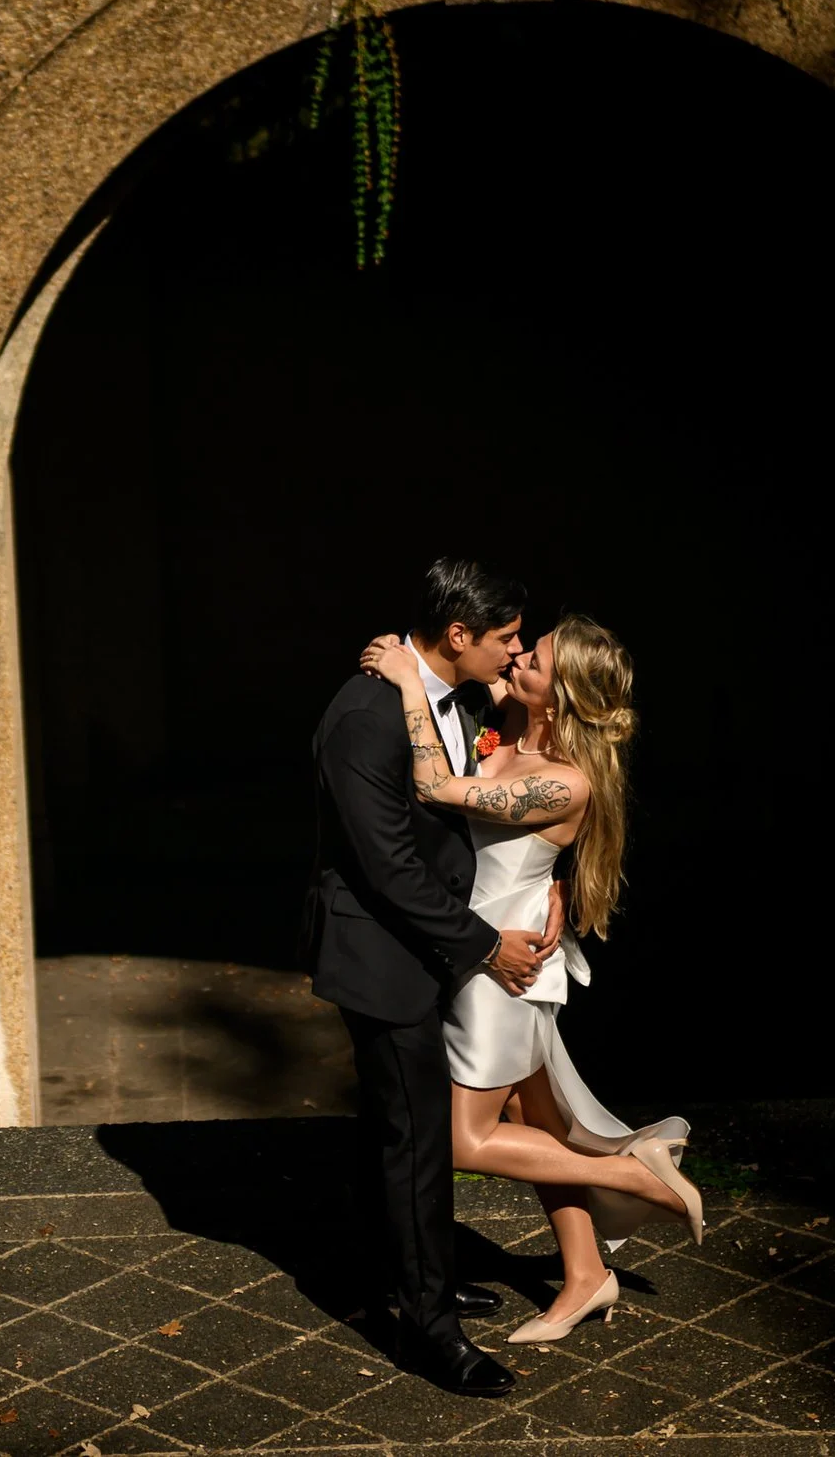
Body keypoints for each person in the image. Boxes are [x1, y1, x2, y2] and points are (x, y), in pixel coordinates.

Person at [360, 615, 703, 1345]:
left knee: (462, 1140)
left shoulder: (563, 781)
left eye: (535, 659)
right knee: (535, 1124)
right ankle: (586, 1274)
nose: (517, 655)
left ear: (563, 695)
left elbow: (431, 784)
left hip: (502, 974)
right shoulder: (501, 733)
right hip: (472, 955)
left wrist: (405, 682)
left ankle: (638, 1178)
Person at [306, 558, 552, 1398]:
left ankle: (420, 1279)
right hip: (384, 956)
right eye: (506, 637)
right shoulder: (362, 716)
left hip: (429, 948)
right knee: (415, 1141)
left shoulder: (468, 700)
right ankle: (429, 1330)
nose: (515, 652)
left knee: (408, 1133)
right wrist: (488, 946)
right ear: (458, 635)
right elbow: (391, 869)